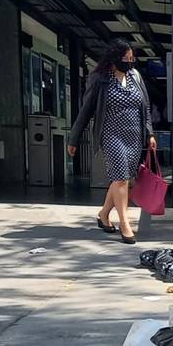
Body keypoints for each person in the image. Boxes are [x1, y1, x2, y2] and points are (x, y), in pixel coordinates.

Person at [67, 39, 155, 244]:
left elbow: (146, 108)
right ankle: (125, 224)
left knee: (120, 179)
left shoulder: (135, 76)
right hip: (111, 135)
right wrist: (74, 138)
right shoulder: (100, 79)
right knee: (122, 179)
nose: (130, 62)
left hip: (134, 135)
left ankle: (104, 214)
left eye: (132, 58)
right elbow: (86, 110)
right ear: (115, 58)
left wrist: (149, 134)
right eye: (126, 58)